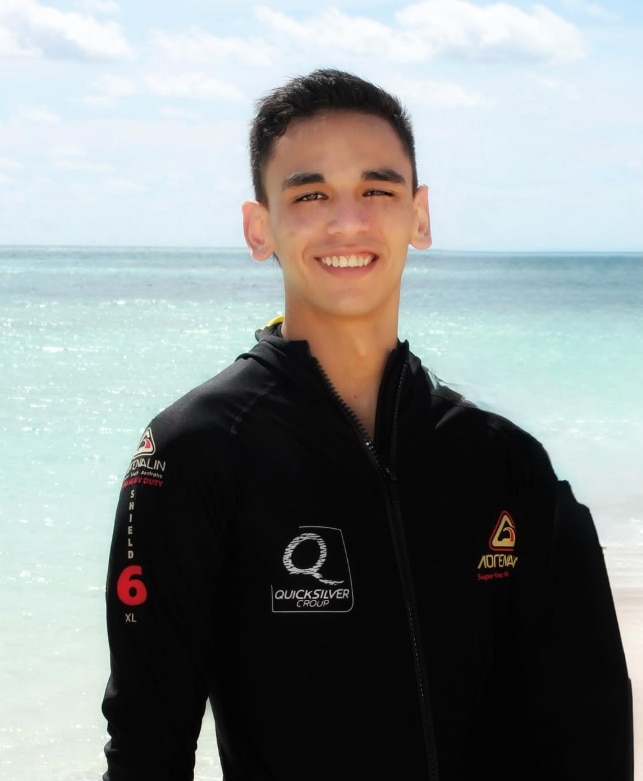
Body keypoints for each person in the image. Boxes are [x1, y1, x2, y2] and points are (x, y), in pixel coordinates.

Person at [101, 68, 633, 781]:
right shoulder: (193, 452)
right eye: (310, 193)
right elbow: (146, 749)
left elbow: (587, 724)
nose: (347, 221)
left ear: (419, 216)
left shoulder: (503, 463)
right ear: (259, 228)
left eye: (376, 190)